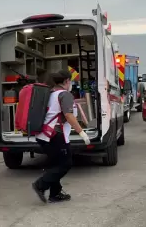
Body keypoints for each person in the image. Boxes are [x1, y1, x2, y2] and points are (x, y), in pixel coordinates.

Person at [32, 70, 91, 203]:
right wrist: (82, 133)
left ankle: (55, 194)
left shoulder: (51, 93)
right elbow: (69, 115)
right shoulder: (65, 95)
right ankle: (40, 185)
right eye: (70, 81)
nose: (71, 83)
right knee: (66, 163)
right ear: (66, 81)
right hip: (55, 135)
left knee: (55, 164)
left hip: (43, 135)